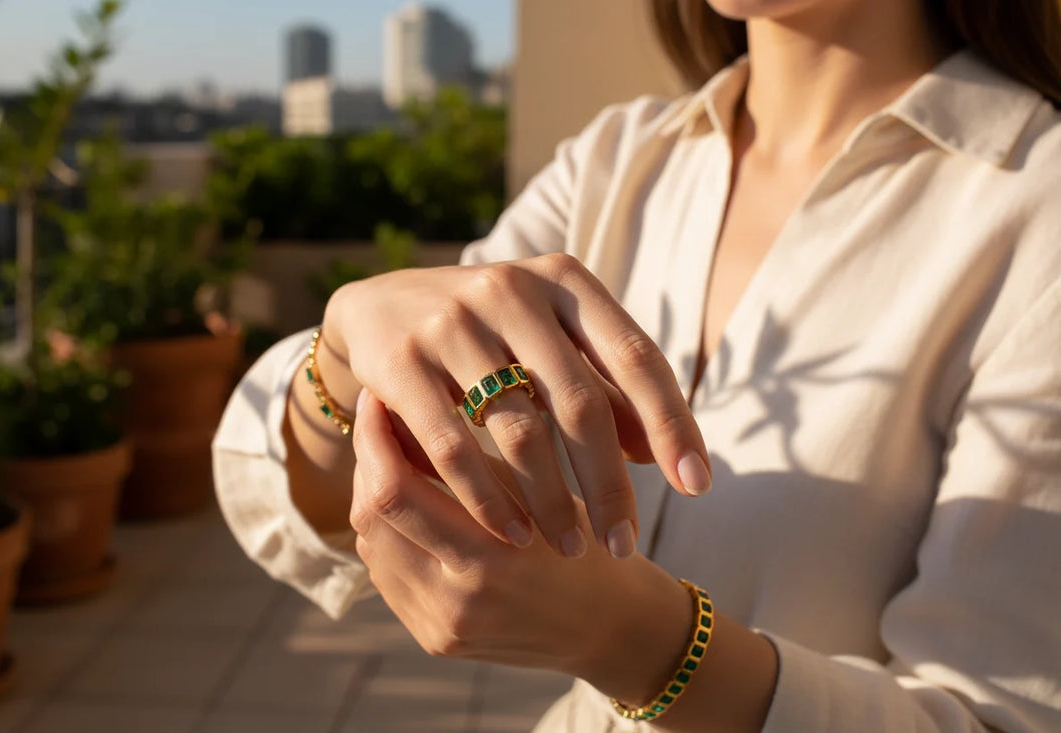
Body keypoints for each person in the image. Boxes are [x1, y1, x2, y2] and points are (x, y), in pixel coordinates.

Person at [212, 0, 1061, 729]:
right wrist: (345, 360)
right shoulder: (619, 160)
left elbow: (999, 714)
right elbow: (297, 498)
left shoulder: (1037, 209)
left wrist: (635, 640)